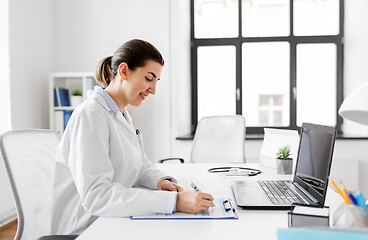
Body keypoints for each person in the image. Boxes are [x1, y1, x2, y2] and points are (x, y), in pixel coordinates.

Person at [51, 39, 214, 235]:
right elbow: (97, 197)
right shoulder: (90, 115)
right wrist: (175, 202)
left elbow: (138, 163)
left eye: (156, 81)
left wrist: (159, 181)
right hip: (85, 229)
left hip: (112, 219)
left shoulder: (121, 114)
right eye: (148, 78)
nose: (153, 89)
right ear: (124, 71)